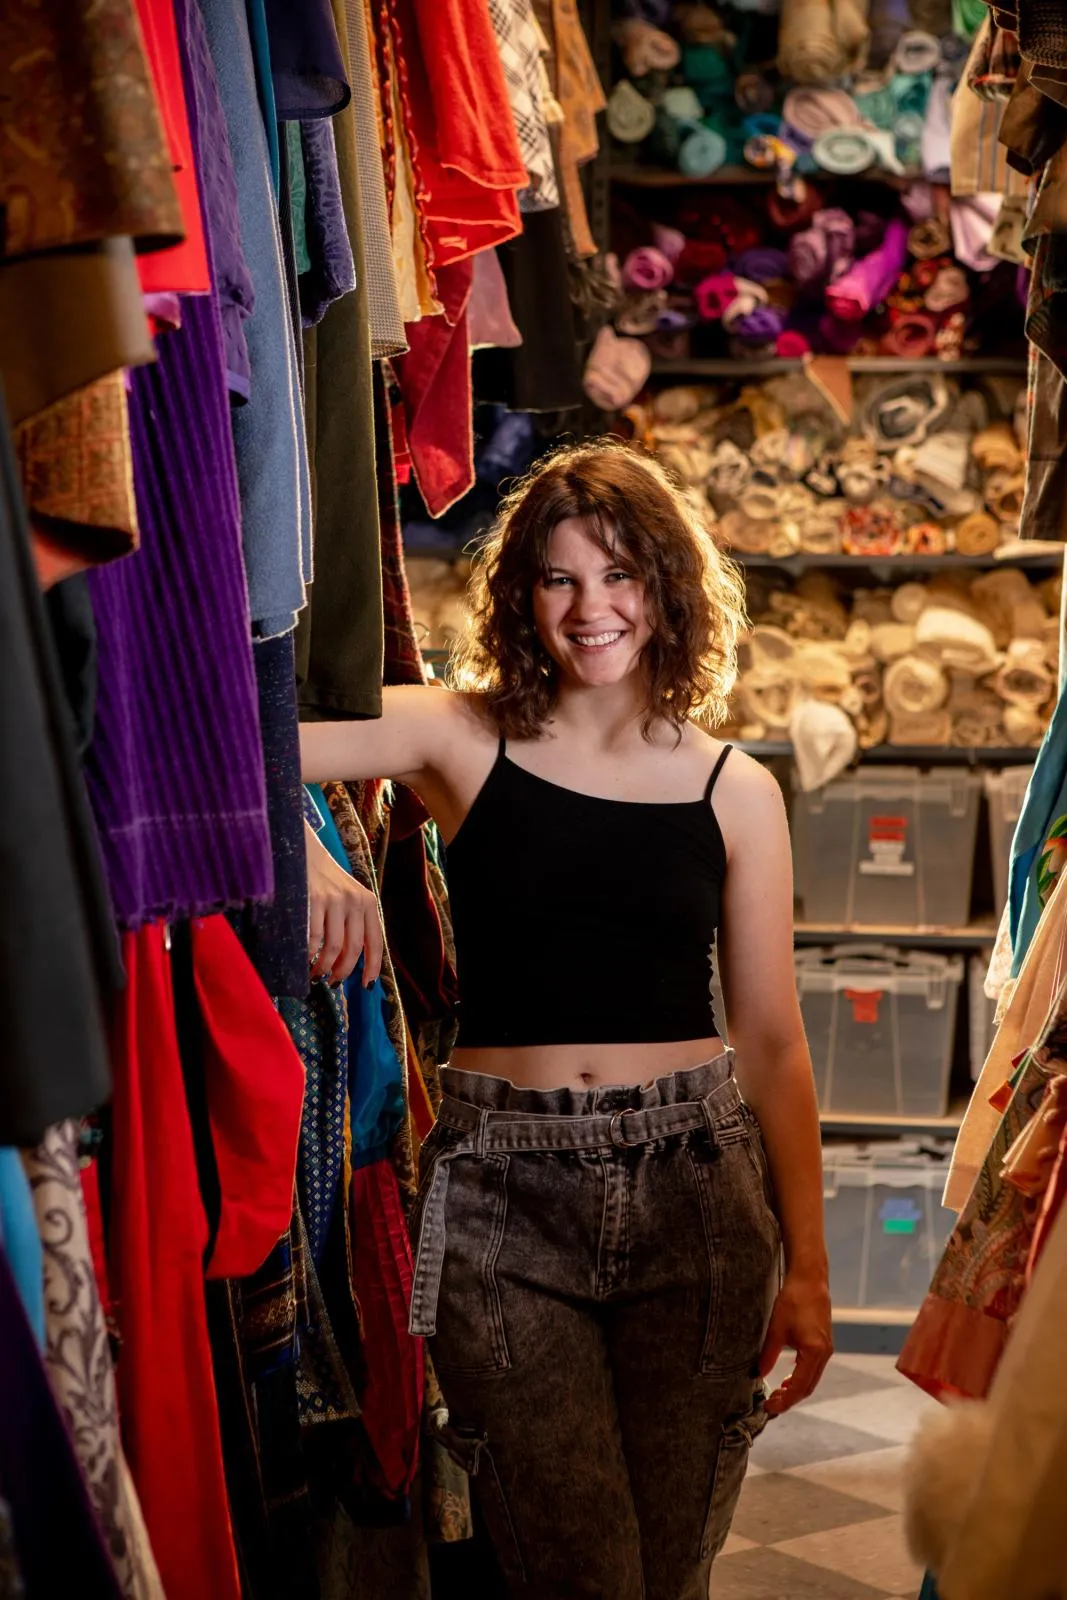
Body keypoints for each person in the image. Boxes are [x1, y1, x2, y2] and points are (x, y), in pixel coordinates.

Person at [300, 440, 832, 1600]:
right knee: (570, 1571)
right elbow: (232, 745)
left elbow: (772, 1042)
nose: (591, 608)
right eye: (558, 578)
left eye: (619, 574)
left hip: (697, 1192)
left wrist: (811, 1266)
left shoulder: (734, 787)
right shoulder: (456, 733)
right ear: (519, 593)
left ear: (666, 587)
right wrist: (303, 849)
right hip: (503, 1197)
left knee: (670, 1570)